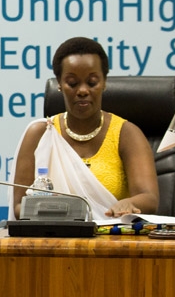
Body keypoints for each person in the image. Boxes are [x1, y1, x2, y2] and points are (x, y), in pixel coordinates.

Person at [10, 36, 159, 221]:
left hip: (112, 242)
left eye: (92, 82)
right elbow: (18, 206)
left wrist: (129, 203)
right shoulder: (39, 134)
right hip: (52, 240)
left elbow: (149, 198)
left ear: (104, 82)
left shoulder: (126, 134)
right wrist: (51, 208)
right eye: (72, 83)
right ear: (59, 84)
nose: (82, 90)